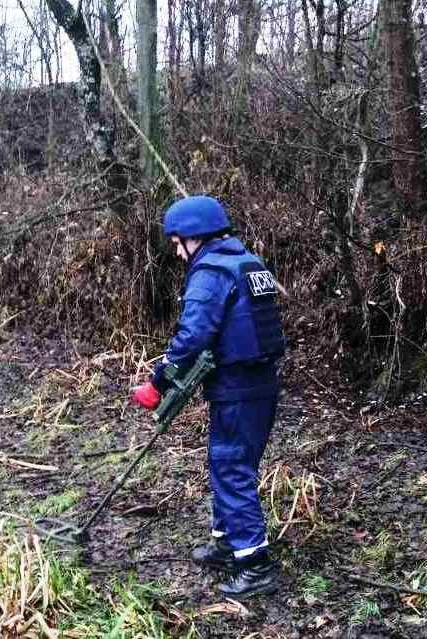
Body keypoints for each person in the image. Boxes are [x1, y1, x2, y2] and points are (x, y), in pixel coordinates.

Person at [132, 195, 286, 598]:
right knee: (228, 463)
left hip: (239, 387)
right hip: (257, 383)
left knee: (232, 466)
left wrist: (157, 384)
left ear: (194, 236)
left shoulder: (211, 272)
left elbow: (192, 336)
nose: (176, 250)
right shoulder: (248, 262)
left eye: (177, 241)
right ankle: (227, 544)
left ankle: (254, 565)